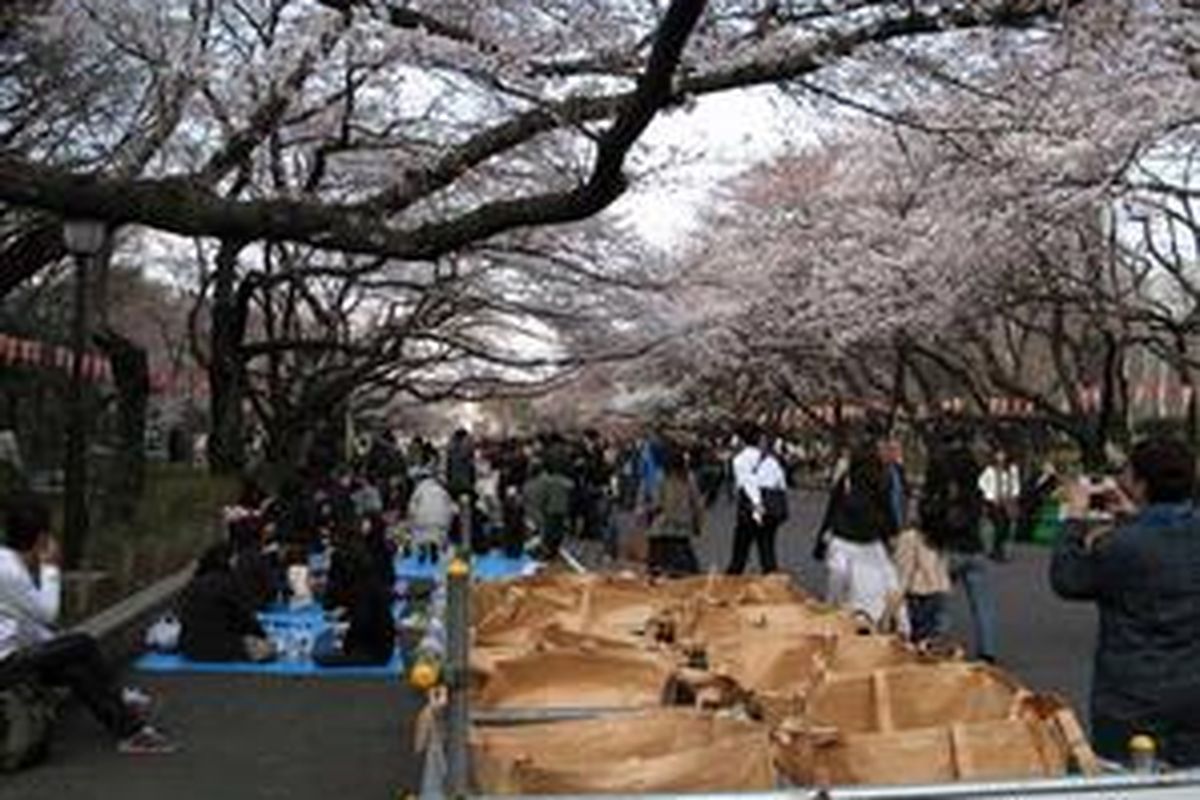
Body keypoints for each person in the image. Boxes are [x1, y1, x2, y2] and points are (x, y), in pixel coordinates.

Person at [1051, 438, 1200, 767]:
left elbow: (1067, 578)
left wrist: (1073, 519)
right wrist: (1135, 516)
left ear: (1141, 484)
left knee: (1130, 779)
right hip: (1193, 693)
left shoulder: (1119, 547)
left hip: (1130, 697)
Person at [0, 497, 175, 754]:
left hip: (14, 658)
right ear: (42, 539)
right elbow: (48, 613)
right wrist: (50, 567)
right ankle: (121, 700)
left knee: (76, 670)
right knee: (83, 642)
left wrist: (57, 644)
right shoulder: (10, 572)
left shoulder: (8, 564)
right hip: (7, 666)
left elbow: (24, 623)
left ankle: (131, 731)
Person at [920, 434, 997, 662]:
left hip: (950, 549)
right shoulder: (973, 488)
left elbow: (933, 513)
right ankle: (988, 649)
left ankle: (938, 645)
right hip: (974, 548)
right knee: (982, 604)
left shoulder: (943, 485)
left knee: (941, 602)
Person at [819, 444, 907, 632]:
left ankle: (833, 618)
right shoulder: (882, 481)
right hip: (870, 541)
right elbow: (887, 513)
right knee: (882, 583)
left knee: (839, 581)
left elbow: (832, 509)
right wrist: (892, 535)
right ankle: (887, 621)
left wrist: (821, 540)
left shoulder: (847, 480)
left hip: (843, 539)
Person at [179, 543, 275, 663]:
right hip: (220, 647)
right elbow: (244, 617)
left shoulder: (192, 584)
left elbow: (182, 613)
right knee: (268, 650)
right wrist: (262, 636)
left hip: (189, 648)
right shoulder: (229, 582)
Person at [726, 424, 787, 574]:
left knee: (739, 555)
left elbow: (744, 485)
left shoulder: (740, 459)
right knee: (767, 553)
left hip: (750, 510)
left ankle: (730, 588)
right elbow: (781, 484)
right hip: (771, 511)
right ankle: (774, 588)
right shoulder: (771, 460)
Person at [645, 443, 703, 577]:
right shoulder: (689, 479)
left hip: (662, 529)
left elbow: (656, 503)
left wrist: (646, 512)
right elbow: (697, 505)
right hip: (683, 527)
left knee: (657, 567)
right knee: (687, 567)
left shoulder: (661, 478)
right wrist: (698, 525)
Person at [407, 461, 455, 563]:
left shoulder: (418, 491)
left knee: (421, 536)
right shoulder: (442, 490)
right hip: (440, 524)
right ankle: (434, 550)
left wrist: (411, 523)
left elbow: (411, 509)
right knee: (437, 538)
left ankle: (423, 551)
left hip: (422, 523)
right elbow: (450, 508)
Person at [978, 447, 1021, 561]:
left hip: (1008, 501)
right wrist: (990, 494)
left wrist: (1014, 496)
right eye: (999, 454)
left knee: (1006, 526)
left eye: (1003, 454)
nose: (1001, 457)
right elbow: (981, 483)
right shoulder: (990, 470)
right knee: (999, 525)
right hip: (994, 502)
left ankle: (996, 549)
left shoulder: (1012, 469)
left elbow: (1016, 484)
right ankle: (997, 551)